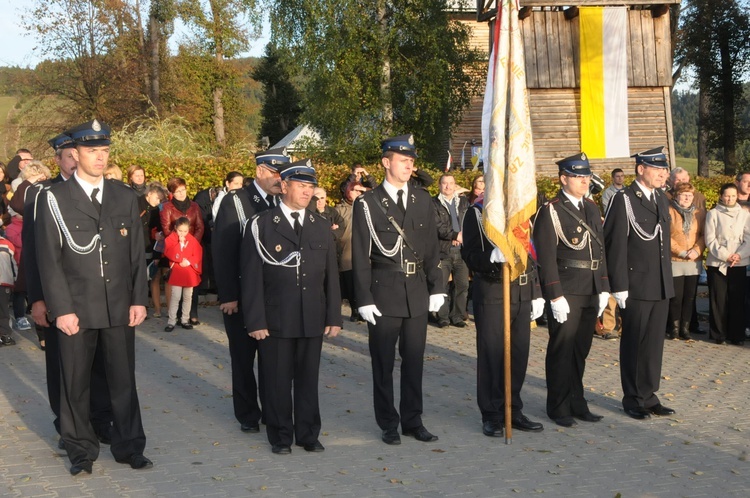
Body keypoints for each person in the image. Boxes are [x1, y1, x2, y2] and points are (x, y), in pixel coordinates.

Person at [35, 119, 151, 475]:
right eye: (91, 151)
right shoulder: (54, 199)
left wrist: (139, 299)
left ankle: (129, 445)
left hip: (118, 304)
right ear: (75, 153)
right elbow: (49, 260)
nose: (100, 158)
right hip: (77, 308)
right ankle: (80, 450)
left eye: (104, 151)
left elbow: (136, 253)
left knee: (122, 379)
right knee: (75, 383)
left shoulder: (124, 195)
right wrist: (61, 309)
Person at [241, 159, 342, 454]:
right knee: (276, 381)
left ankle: (309, 434)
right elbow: (251, 277)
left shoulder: (320, 225)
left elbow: (331, 276)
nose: (307, 192)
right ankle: (281, 436)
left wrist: (333, 315)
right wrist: (256, 320)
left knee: (308, 380)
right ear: (284, 186)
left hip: (311, 315)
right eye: (300, 185)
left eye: (311, 186)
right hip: (276, 317)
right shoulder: (261, 225)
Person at [22, 133, 114, 448]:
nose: (76, 161)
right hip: (59, 298)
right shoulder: (43, 194)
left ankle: (102, 421)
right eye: (70, 156)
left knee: (100, 365)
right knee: (62, 368)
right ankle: (67, 426)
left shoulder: (99, 191)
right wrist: (37, 298)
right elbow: (35, 252)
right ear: (59, 159)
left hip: (96, 300)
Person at [352, 134, 444, 445]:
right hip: (384, 293)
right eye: (403, 160)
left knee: (414, 360)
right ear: (385, 162)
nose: (409, 165)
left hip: (416, 291)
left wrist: (438, 287)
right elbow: (360, 254)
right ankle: (388, 422)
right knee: (383, 363)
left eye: (411, 161)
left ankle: (413, 420)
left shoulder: (421, 200)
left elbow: (431, 247)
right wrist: (363, 298)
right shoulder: (368, 203)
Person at [213, 147, 289, 434]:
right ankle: (247, 413)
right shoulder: (238, 201)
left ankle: (272, 410)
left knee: (273, 360)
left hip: (273, 297)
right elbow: (223, 251)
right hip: (243, 297)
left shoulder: (283, 201)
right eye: (274, 172)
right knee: (244, 359)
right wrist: (228, 295)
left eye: (282, 173)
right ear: (259, 171)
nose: (279, 179)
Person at [533, 153, 610, 428]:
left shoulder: (591, 207)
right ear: (563, 178)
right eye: (578, 176)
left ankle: (578, 402)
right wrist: (554, 295)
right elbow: (546, 256)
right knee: (561, 349)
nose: (584, 180)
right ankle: (558, 406)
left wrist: (603, 287)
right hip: (566, 289)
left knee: (580, 349)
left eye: (586, 176)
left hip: (589, 287)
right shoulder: (551, 210)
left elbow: (599, 249)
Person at [461, 193, 545, 437]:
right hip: (493, 290)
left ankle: (513, 409)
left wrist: (537, 291)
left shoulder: (521, 213)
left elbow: (531, 254)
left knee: (519, 353)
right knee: (492, 354)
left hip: (522, 291)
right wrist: (491, 257)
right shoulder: (477, 213)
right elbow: (469, 254)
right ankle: (492, 414)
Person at [603, 146, 675, 420]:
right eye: (657, 169)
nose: (662, 174)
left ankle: (649, 394)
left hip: (660, 283)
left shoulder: (660, 198)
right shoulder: (624, 200)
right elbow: (614, 244)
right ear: (641, 169)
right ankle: (633, 398)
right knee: (634, 342)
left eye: (664, 169)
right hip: (635, 283)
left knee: (654, 343)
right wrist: (618, 285)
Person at [705, 183, 750, 345]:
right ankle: (718, 334)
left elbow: (748, 238)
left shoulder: (744, 215)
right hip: (718, 262)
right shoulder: (713, 214)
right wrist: (725, 255)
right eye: (727, 195)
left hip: (739, 262)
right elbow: (710, 239)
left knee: (737, 299)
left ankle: (736, 334)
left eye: (733, 195)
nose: (730, 198)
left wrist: (739, 255)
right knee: (718, 299)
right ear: (721, 196)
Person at [160, 177, 204, 325]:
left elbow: (199, 226)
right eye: (177, 191)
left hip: (192, 247)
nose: (181, 193)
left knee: (191, 288)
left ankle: (191, 315)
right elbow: (166, 229)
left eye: (183, 190)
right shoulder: (167, 207)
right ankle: (174, 318)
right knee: (176, 291)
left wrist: (192, 243)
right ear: (172, 192)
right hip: (176, 247)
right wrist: (178, 243)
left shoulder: (194, 206)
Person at [667, 183, 705, 341]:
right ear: (676, 196)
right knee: (676, 297)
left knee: (690, 297)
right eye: (684, 195)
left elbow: (704, 235)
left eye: (690, 195)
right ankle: (674, 328)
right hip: (675, 259)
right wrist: (681, 251)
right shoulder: (669, 211)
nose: (687, 198)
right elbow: (665, 235)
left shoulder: (700, 213)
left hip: (693, 260)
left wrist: (697, 249)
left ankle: (685, 328)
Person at [432, 173, 470, 328]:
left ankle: (457, 316)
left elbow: (468, 221)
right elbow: (437, 226)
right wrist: (454, 235)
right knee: (441, 286)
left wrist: (463, 235)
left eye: (451, 183)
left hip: (462, 251)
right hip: (443, 250)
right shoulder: (433, 203)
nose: (448, 186)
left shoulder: (463, 202)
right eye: (444, 183)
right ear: (439, 185)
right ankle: (443, 317)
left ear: (455, 185)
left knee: (462, 285)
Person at [334, 180, 368, 322]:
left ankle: (363, 308)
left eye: (360, 191)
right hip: (347, 250)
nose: (358, 193)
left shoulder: (367, 206)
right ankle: (355, 309)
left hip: (364, 250)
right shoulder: (339, 209)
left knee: (364, 282)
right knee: (350, 282)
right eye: (355, 190)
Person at [163, 217, 203, 332]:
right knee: (175, 296)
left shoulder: (191, 239)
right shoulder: (171, 239)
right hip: (177, 271)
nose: (183, 233)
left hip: (188, 271)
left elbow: (198, 253)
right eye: (180, 230)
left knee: (187, 296)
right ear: (175, 228)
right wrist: (180, 245)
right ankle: (171, 321)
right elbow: (169, 252)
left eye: (185, 231)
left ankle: (185, 319)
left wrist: (189, 261)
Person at [139, 183, 167, 317]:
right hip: (137, 246)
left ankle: (144, 307)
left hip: (149, 246)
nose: (158, 201)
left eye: (160, 199)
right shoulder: (137, 204)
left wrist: (157, 234)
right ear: (149, 194)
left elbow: (157, 228)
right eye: (157, 198)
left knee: (147, 276)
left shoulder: (155, 210)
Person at [0, 232, 17, 346]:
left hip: (4, 281)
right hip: (4, 281)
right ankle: (5, 335)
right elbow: (13, 264)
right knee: (3, 309)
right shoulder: (7, 244)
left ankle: (4, 334)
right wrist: (15, 278)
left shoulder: (7, 244)